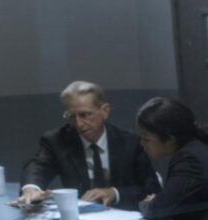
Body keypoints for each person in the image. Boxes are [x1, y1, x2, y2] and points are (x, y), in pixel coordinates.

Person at [17, 81, 160, 208]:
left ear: (105, 111)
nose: (78, 124)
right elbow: (38, 166)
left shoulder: (130, 143)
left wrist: (114, 193)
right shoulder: (57, 140)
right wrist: (31, 188)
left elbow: (151, 189)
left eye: (85, 115)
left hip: (125, 217)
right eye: (72, 116)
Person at [135, 96, 208, 220]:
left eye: (146, 139)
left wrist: (147, 204)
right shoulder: (192, 150)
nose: (142, 144)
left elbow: (160, 210)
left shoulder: (190, 161)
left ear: (170, 139)